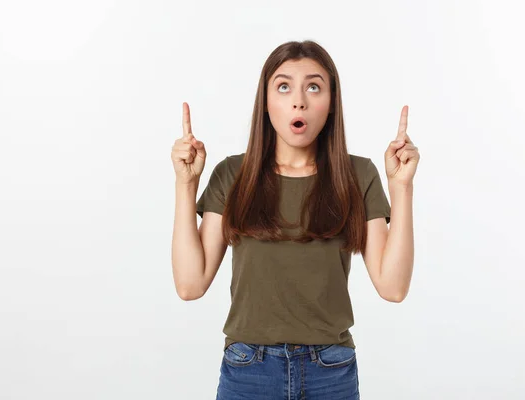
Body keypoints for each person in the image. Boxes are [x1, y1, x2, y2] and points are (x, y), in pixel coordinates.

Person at [170, 40, 420, 400]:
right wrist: (185, 185)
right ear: (266, 102)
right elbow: (190, 285)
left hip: (331, 371)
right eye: (284, 86)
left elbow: (393, 288)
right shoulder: (233, 174)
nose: (298, 100)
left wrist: (401, 188)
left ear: (331, 104)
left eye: (314, 87)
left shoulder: (358, 174)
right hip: (248, 369)